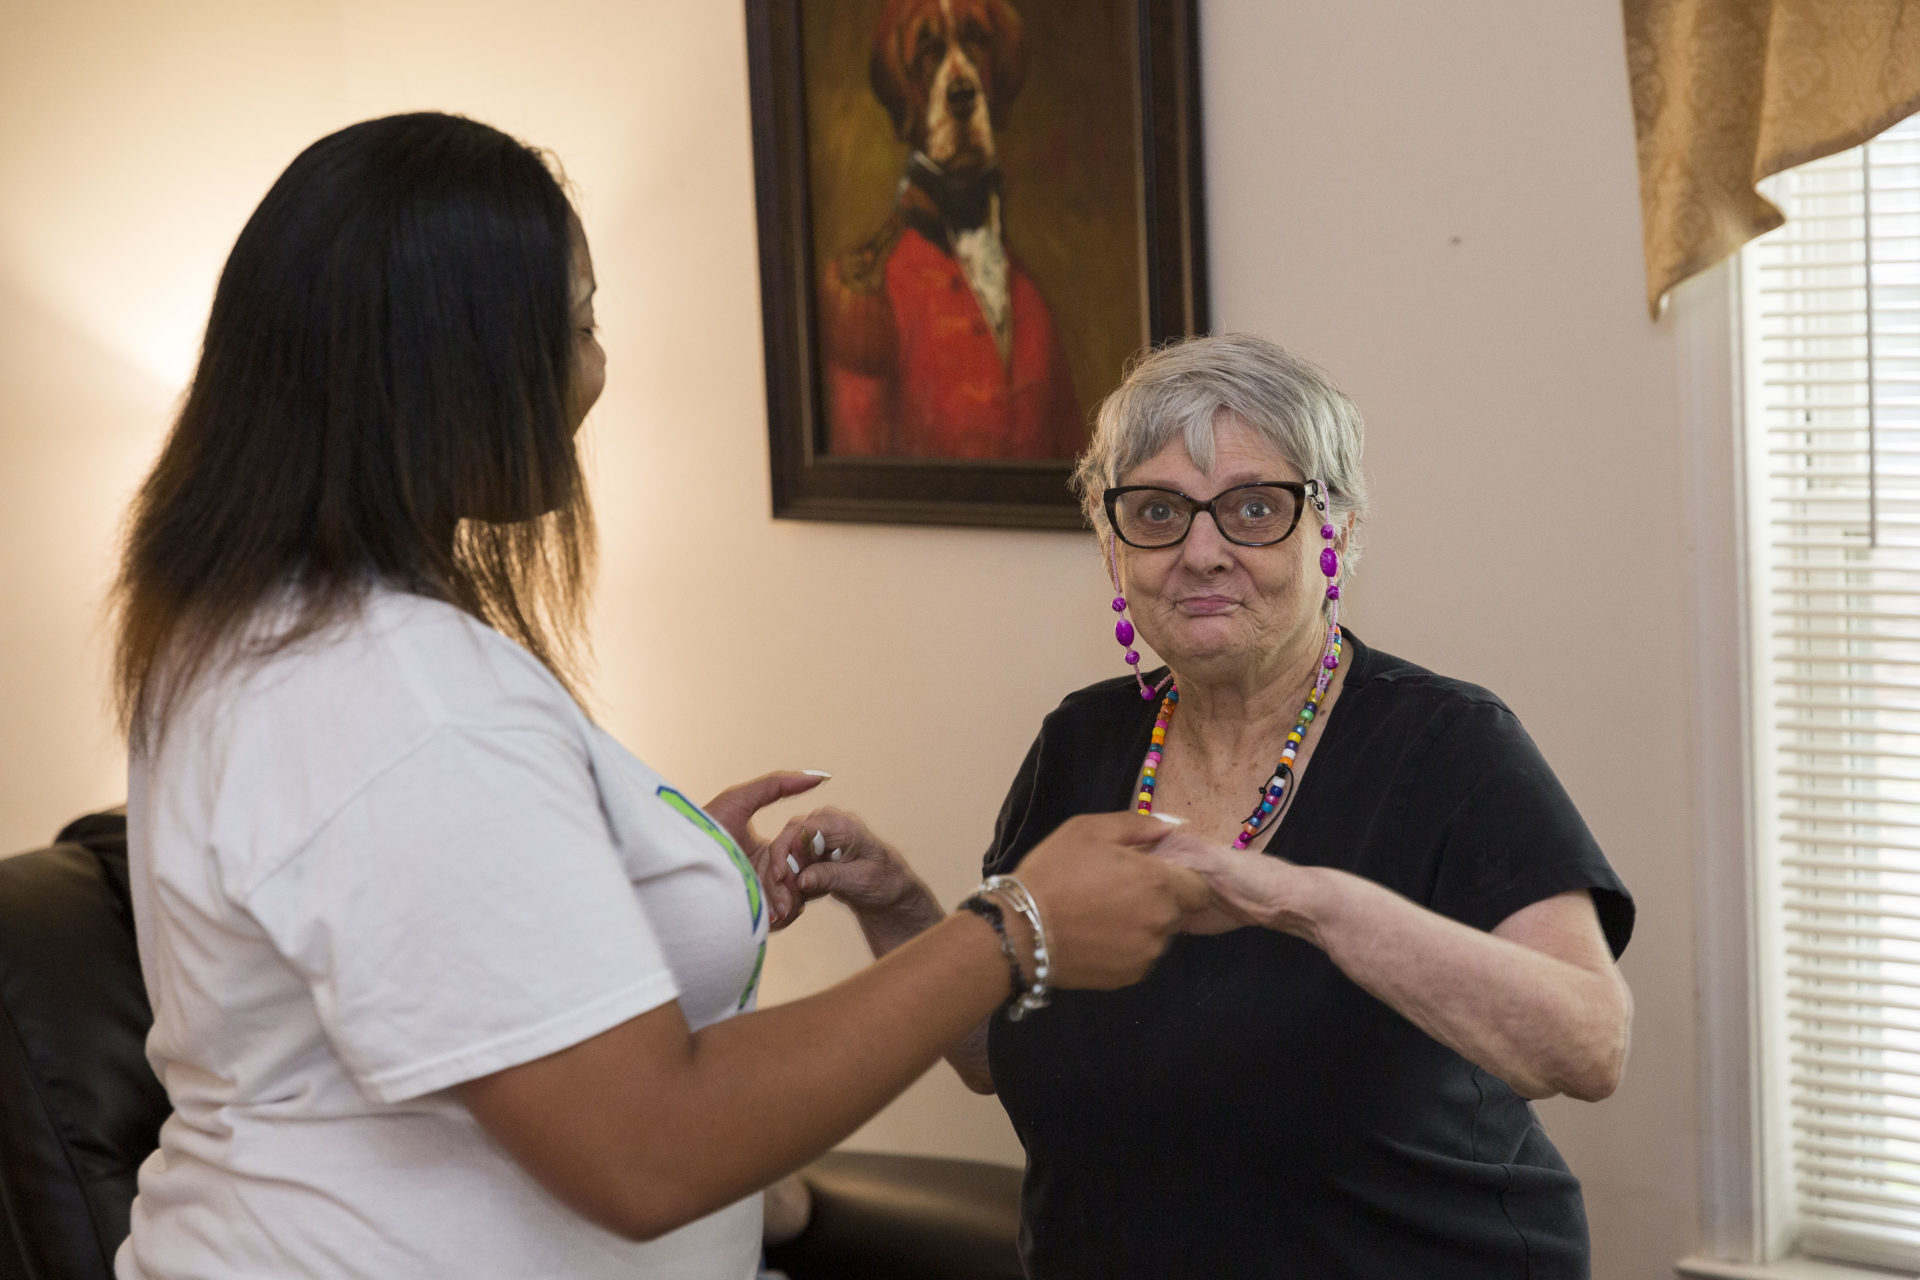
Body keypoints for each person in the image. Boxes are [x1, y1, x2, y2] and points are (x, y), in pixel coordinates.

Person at [108, 112, 1211, 1280]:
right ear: (458, 361)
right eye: (578, 323)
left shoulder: (271, 635)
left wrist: (633, 875)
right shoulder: (397, 694)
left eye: (1255, 508)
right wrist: (1013, 928)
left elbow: (460, 962)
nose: (594, 369)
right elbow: (644, 1147)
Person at [764, 334, 1636, 1279]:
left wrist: (1302, 899)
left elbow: (1588, 1047)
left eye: (1256, 509)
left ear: (1334, 528)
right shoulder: (1081, 746)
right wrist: (898, 905)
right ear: (1113, 545)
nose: (1203, 552)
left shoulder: (1449, 748)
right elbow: (994, 1056)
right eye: (1157, 512)